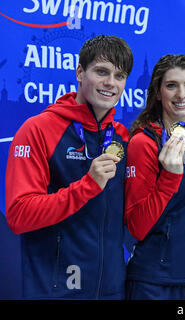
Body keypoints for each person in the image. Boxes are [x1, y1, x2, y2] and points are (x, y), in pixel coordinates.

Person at [5, 35, 134, 299]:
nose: (111, 83)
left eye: (120, 76)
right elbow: (19, 215)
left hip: (111, 290)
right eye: (102, 72)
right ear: (79, 72)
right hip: (56, 290)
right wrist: (88, 185)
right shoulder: (38, 130)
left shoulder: (123, 137)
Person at [124, 54, 185, 300]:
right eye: (171, 85)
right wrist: (169, 179)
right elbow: (137, 226)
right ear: (157, 92)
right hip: (155, 285)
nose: (181, 94)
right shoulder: (143, 143)